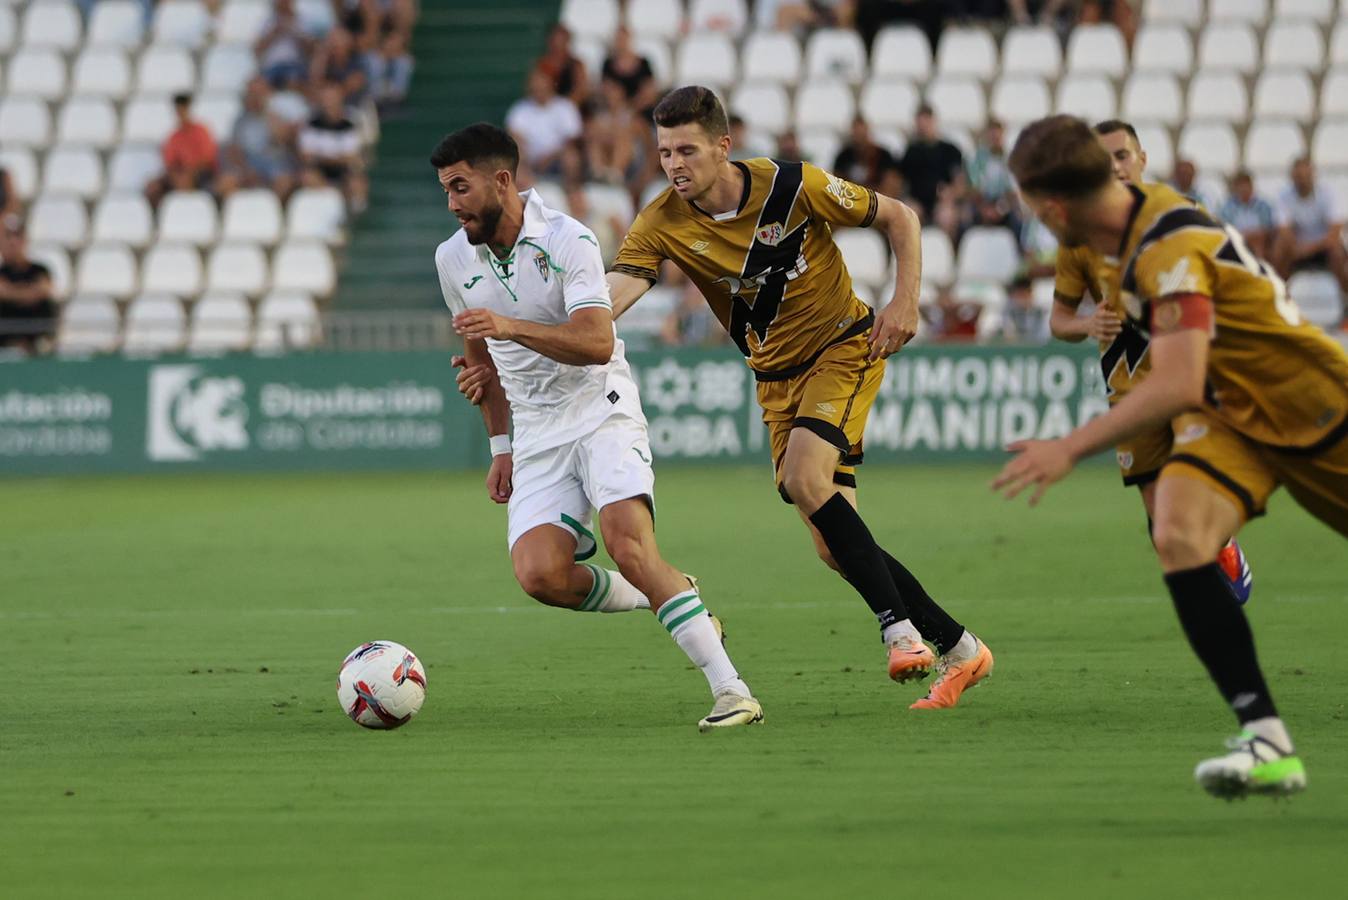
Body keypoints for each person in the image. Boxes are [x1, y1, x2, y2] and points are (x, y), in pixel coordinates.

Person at [606, 86, 994, 709]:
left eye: (687, 150)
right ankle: (962, 648)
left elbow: (901, 217)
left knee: (804, 477)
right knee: (834, 547)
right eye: (665, 152)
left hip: (843, 346)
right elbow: (611, 298)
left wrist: (905, 300)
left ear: (723, 147)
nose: (674, 164)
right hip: (776, 380)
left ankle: (900, 634)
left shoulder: (792, 186)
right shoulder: (661, 222)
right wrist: (544, 330)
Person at [995, 114, 1348, 799]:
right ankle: (1268, 741)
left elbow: (1178, 381)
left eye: (1032, 206)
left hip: (1311, 405)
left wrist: (1070, 447)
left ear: (1054, 207)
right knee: (1179, 535)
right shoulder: (1112, 240)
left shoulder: (1165, 241)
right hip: (1232, 415)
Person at [432, 123, 763, 731]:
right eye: (445, 190)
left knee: (627, 544)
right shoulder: (452, 257)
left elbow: (596, 341)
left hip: (600, 408)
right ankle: (666, 591)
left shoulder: (568, 239)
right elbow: (479, 354)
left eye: (460, 188)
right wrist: (499, 444)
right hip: (536, 430)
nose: (451, 204)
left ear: (501, 181)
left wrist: (512, 328)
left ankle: (732, 691)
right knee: (540, 575)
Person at [1050, 119, 1252, 603]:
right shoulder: (1078, 237)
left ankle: (1218, 547)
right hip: (1128, 389)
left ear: (1142, 159)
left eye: (1122, 156)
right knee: (1161, 518)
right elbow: (1058, 320)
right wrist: (1087, 324)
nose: (1114, 167)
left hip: (1188, 376)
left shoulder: (1184, 216)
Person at [1272, 156, 1348, 293]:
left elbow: (1334, 232)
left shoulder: (1329, 194)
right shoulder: (1283, 196)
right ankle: (1279, 294)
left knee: (1337, 250)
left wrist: (1308, 249)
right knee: (1279, 248)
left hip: (1323, 248)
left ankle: (1345, 296)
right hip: (1296, 248)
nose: (1302, 180)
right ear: (1292, 177)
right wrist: (1296, 248)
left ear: (1313, 175)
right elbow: (1284, 230)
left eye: (1305, 175)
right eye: (1298, 176)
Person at [299, 82, 368, 211]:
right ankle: (335, 199)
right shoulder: (311, 124)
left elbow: (352, 157)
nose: (329, 103)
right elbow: (306, 156)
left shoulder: (350, 125)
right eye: (326, 98)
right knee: (307, 177)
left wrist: (322, 156)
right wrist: (337, 157)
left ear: (340, 99)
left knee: (358, 183)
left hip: (343, 172)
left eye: (332, 98)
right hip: (319, 172)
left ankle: (355, 215)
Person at [505, 70, 583, 180]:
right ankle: (527, 187)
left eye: (542, 85)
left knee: (571, 157)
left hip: (558, 158)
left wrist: (550, 157)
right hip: (530, 160)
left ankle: (573, 189)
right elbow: (514, 137)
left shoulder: (565, 107)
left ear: (550, 85)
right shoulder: (520, 109)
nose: (538, 89)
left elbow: (571, 140)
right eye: (535, 86)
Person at [145, 94, 219, 206]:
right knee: (153, 187)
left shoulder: (201, 131)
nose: (180, 114)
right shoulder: (174, 136)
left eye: (183, 110)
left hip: (202, 174)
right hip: (180, 174)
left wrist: (190, 173)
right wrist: (177, 175)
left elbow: (207, 159)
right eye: (178, 110)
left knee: (187, 180)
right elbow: (170, 163)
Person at [0, 216, 57, 356]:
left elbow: (44, 290)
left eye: (17, 237)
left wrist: (12, 293)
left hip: (37, 339)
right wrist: (30, 293)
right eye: (9, 237)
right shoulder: (2, 272)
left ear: (25, 241)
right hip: (6, 338)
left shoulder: (40, 269)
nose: (13, 242)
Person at [1219, 170, 1276, 262]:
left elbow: (1267, 229)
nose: (1243, 188)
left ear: (1251, 186)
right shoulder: (1227, 207)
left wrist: (1249, 236)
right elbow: (1225, 228)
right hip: (1236, 243)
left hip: (1259, 243)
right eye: (1240, 185)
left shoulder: (1263, 206)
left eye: (1246, 185)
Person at [832, 116, 897, 192]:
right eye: (856, 135)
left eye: (862, 135)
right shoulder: (844, 157)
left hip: (878, 196)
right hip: (851, 196)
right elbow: (836, 183)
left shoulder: (883, 156)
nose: (859, 139)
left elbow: (892, 182)